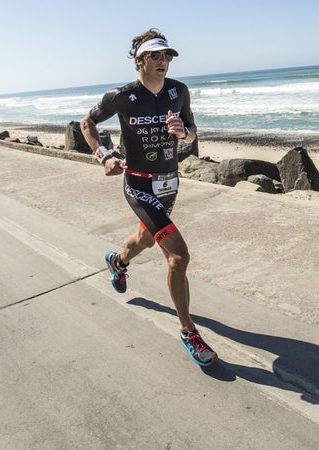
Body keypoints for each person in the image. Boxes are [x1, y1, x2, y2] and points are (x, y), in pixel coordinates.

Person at [80, 28, 217, 367]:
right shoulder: (121, 96)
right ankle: (188, 332)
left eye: (167, 55)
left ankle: (119, 261)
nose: (164, 61)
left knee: (145, 236)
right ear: (139, 61)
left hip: (169, 182)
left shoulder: (179, 91)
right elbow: (87, 122)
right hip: (138, 184)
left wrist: (184, 133)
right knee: (178, 256)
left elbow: (192, 131)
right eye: (156, 55)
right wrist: (104, 156)